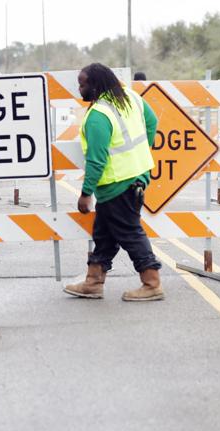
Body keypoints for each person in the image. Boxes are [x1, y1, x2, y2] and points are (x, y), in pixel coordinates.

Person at [64, 63, 164, 301]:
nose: (79, 88)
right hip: (134, 178)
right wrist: (141, 153)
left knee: (130, 232)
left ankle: (152, 284)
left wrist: (86, 193)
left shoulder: (98, 116)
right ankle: (93, 282)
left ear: (96, 84)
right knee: (104, 234)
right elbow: (152, 123)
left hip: (119, 183)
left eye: (83, 83)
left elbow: (97, 160)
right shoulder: (129, 96)